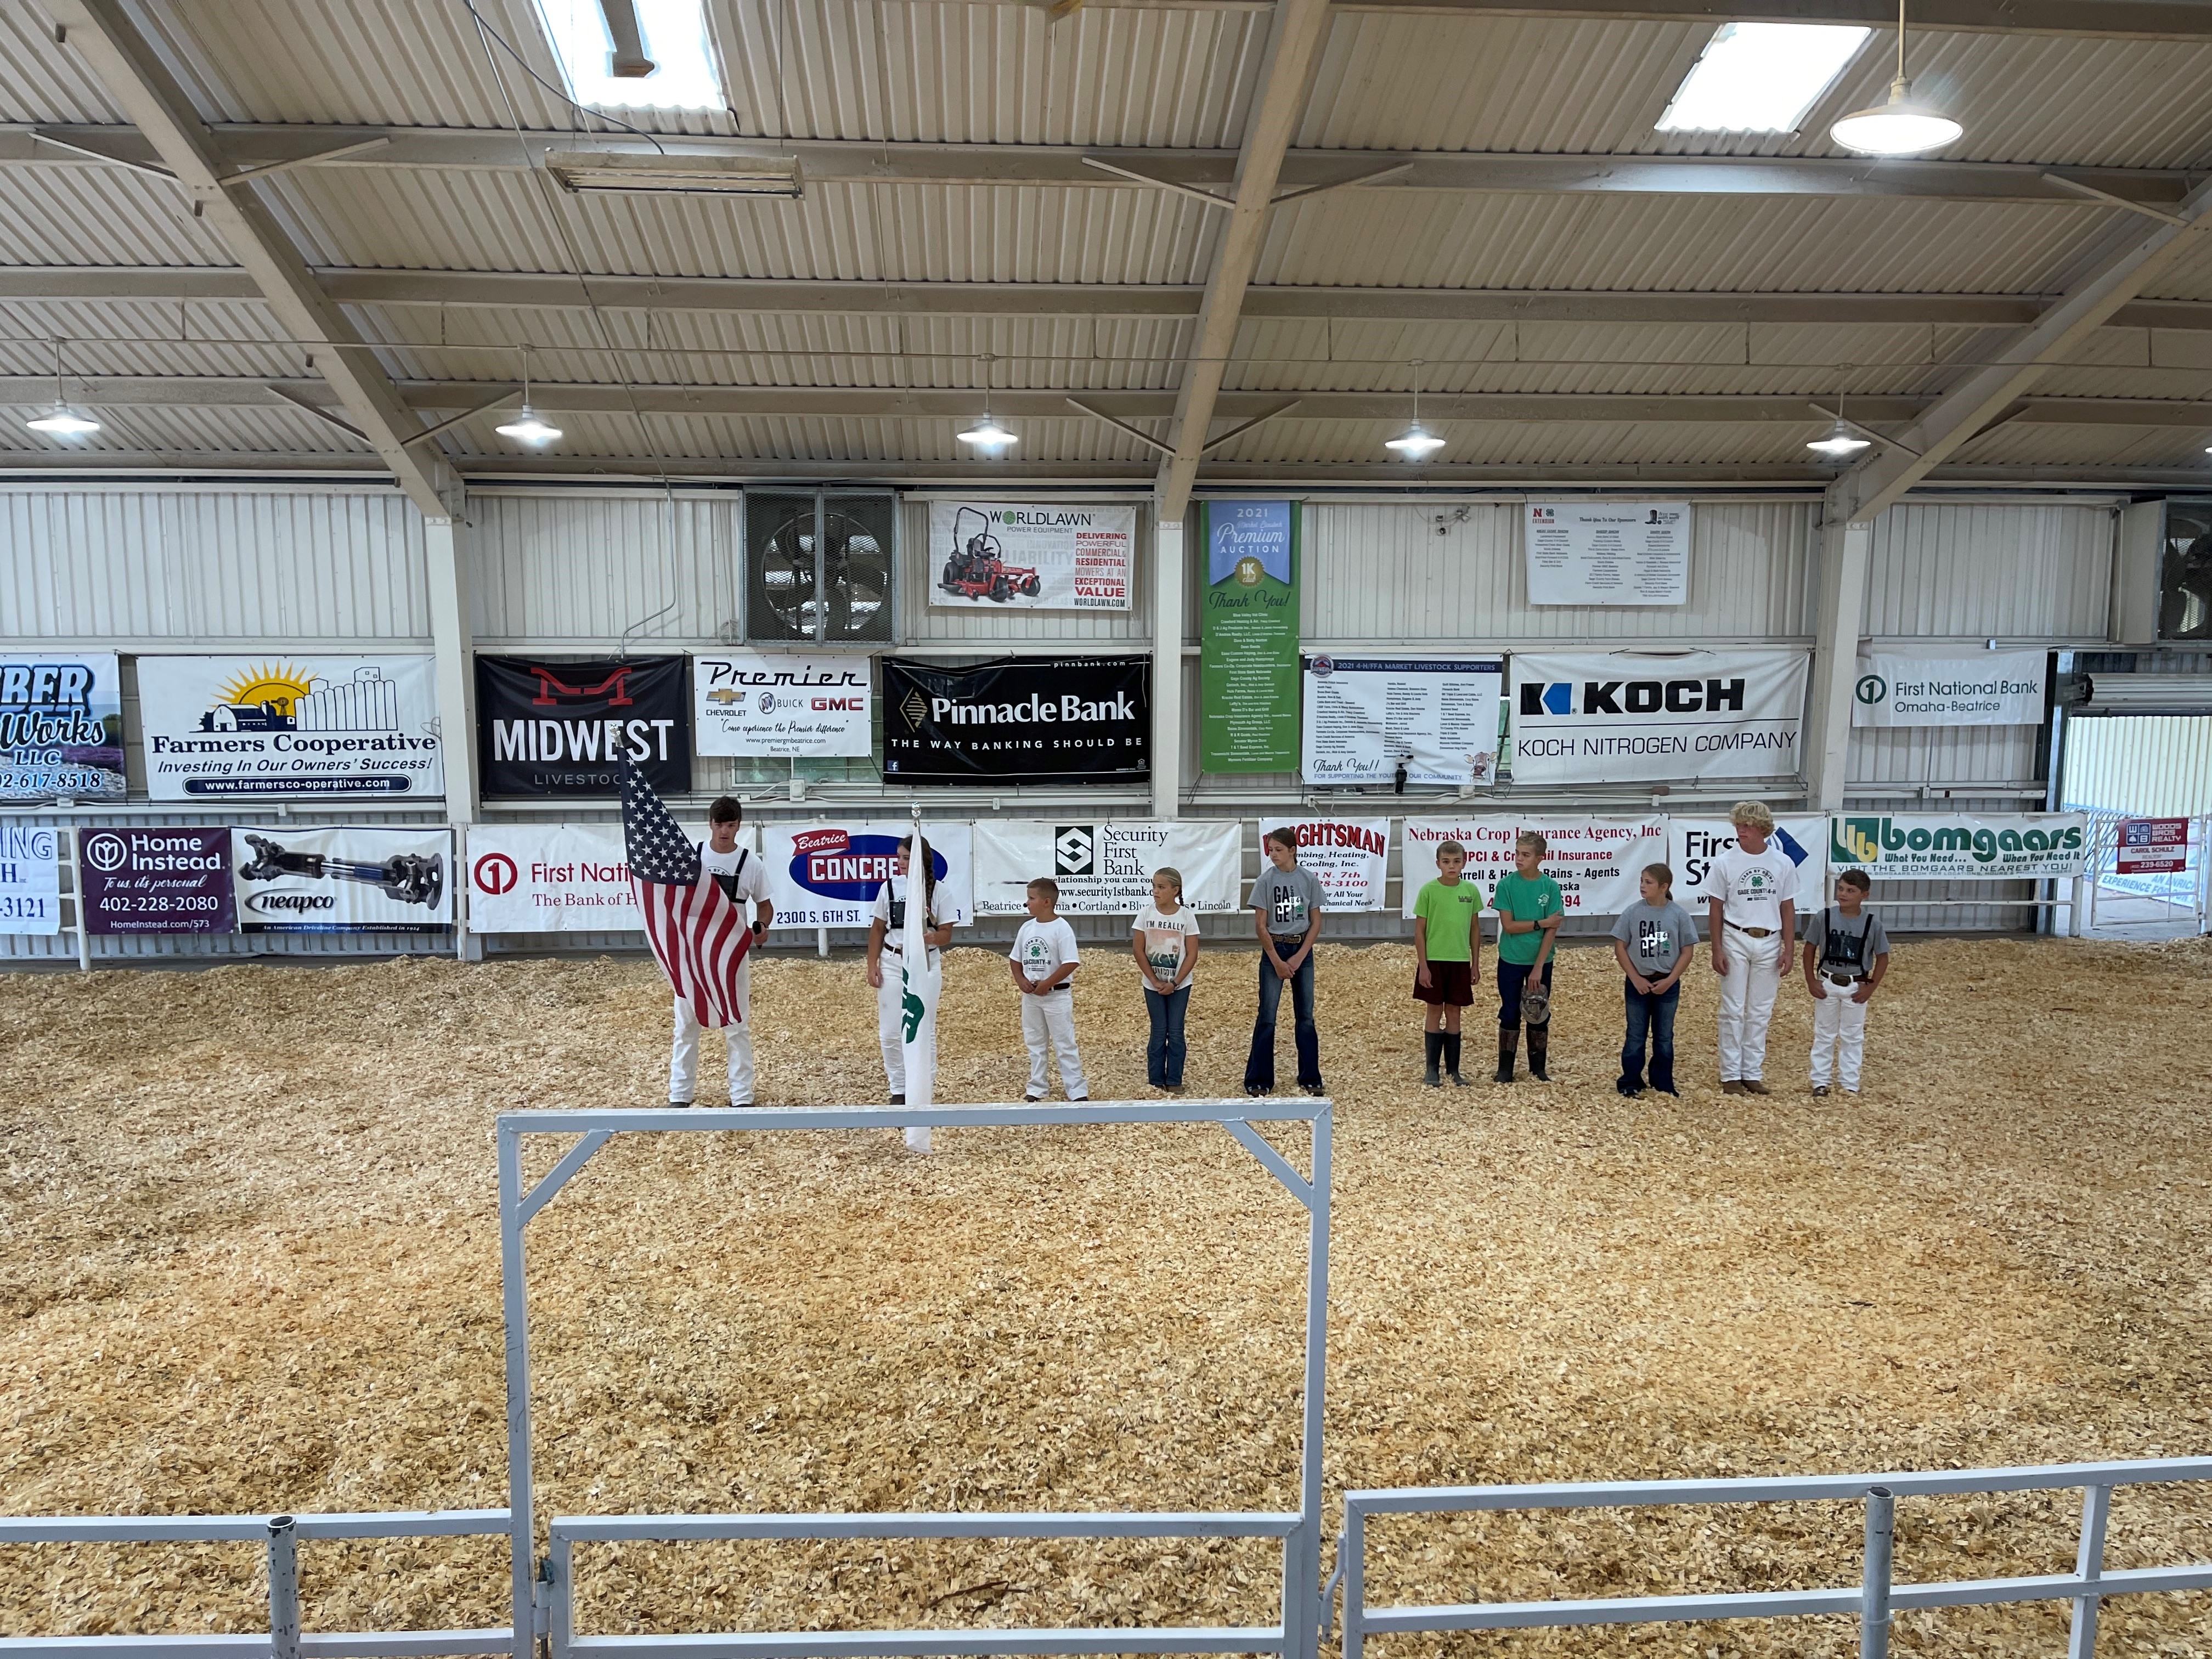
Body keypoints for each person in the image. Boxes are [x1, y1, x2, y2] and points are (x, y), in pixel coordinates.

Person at [669, 794, 772, 1107]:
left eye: (730, 825)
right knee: (686, 1023)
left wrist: (762, 927)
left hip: (732, 953)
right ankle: (680, 1093)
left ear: (739, 826)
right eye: (719, 825)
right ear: (710, 824)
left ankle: (742, 1094)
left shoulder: (751, 864)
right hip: (693, 952)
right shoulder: (692, 857)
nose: (724, 831)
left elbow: (765, 906)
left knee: (736, 1022)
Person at [1706, 799, 1798, 1096]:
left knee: (1760, 1010)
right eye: (1738, 825)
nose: (1740, 830)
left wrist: (1790, 948)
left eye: (1746, 825)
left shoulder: (1783, 863)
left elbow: (1787, 907)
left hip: (1770, 940)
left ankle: (1752, 1072)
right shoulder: (1725, 862)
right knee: (1733, 1008)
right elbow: (1716, 908)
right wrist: (1716, 949)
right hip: (1736, 937)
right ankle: (1730, 1073)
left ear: (1761, 828)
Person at [866, 834, 953, 1105]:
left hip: (925, 963)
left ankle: (922, 1088)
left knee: (923, 1027)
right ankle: (899, 1088)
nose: (901, 863)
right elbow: (878, 928)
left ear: (920, 860)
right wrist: (872, 964)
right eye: (899, 857)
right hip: (893, 961)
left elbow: (947, 933)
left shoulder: (939, 891)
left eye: (907, 857)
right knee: (891, 1031)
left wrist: (932, 938)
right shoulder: (889, 888)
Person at [1244, 827, 1325, 1097]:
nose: (1273, 854)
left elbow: (1316, 922)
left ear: (1293, 851)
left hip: (1302, 948)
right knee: (1267, 1016)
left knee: (1306, 1017)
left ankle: (1310, 1076)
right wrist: (1277, 960)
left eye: (1278, 849)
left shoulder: (1308, 879)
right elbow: (1261, 925)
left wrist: (1301, 955)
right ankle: (1259, 1078)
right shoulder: (1265, 882)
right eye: (1270, 849)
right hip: (1275, 948)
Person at [1609, 862, 1696, 1098]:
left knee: (1664, 1035)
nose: (1642, 886)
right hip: (1638, 984)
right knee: (1636, 1034)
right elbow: (1620, 947)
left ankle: (1663, 1082)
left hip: (1666, 985)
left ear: (1663, 887)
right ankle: (1630, 1081)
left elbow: (1687, 951)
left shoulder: (1679, 915)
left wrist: (1670, 980)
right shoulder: (1632, 912)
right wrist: (1635, 977)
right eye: (1641, 881)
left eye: (1648, 882)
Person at [1802, 869, 1891, 1097]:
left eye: (1851, 891)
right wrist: (1812, 979)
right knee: (1824, 1033)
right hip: (1828, 982)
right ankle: (1820, 1082)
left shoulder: (1873, 924)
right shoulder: (1824, 917)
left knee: (1853, 1036)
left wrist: (1872, 986)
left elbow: (1883, 957)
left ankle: (1850, 1082)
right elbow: (1810, 947)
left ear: (1865, 895)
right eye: (1841, 888)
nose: (1843, 894)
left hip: (1856, 985)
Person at [1491, 830, 1564, 1083]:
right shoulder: (1506, 885)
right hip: (1511, 959)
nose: (1519, 859)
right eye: (1517, 853)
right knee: (1510, 1012)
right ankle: (1505, 1069)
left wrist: (1538, 967)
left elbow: (1553, 929)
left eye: (1526, 855)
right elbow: (1509, 926)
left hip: (1540, 961)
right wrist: (1541, 922)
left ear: (1540, 858)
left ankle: (1538, 1068)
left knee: (1538, 1011)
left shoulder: (1550, 887)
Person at [1412, 839, 1483, 1087]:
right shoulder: (1428, 891)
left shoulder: (1471, 891)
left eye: (1456, 861)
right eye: (1446, 862)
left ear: (1464, 862)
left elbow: (1475, 928)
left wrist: (1475, 963)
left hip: (1460, 961)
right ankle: (1432, 1069)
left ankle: (1454, 1069)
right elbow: (1419, 931)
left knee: (1454, 1011)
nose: (1451, 866)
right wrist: (1423, 965)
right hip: (1434, 960)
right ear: (1438, 864)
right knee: (1434, 1009)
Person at [1010, 877, 1086, 1102]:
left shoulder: (1062, 928)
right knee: (1035, 1042)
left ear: (1046, 902)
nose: (1027, 903)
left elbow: (1071, 962)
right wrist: (1020, 979)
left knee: (1065, 1043)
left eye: (1031, 899)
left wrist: (1048, 983)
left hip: (1057, 995)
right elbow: (1015, 959)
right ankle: (1037, 1088)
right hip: (1032, 996)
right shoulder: (1027, 927)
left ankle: (1076, 1090)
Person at [1131, 867, 1200, 1091]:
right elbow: (1138, 950)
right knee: (1159, 1030)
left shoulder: (1186, 916)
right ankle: (1155, 1080)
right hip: (1152, 985)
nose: (1155, 891)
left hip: (1180, 985)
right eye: (1154, 886)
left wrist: (1175, 983)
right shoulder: (1145, 914)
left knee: (1176, 1031)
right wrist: (1153, 980)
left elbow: (1192, 953)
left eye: (1161, 887)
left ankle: (1174, 1080)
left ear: (1175, 890)